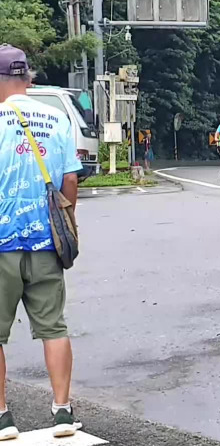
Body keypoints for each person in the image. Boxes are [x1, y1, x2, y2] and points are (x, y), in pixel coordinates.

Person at [0, 45, 83, 439]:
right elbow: (70, 179)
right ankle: (62, 412)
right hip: (47, 241)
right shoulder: (56, 117)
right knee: (54, 328)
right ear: (27, 78)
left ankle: (2, 418)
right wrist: (66, 221)